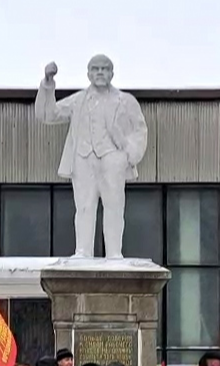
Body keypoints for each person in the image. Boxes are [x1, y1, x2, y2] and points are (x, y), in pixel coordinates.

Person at [34, 55, 148, 259]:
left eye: (105, 69)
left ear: (112, 73)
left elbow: (140, 130)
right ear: (88, 74)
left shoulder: (126, 101)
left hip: (112, 159)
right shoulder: (78, 100)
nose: (100, 72)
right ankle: (83, 251)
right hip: (83, 159)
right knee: (84, 207)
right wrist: (48, 83)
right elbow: (48, 115)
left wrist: (129, 155)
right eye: (95, 69)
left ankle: (114, 253)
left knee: (114, 207)